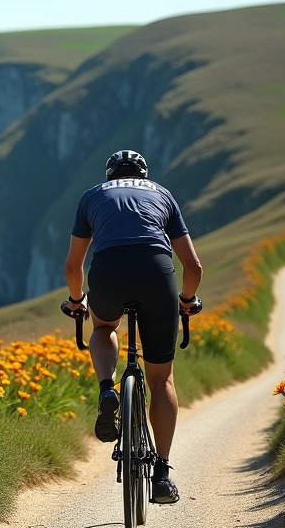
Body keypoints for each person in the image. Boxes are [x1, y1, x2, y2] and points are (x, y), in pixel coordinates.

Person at [62, 149, 203, 504]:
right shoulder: (162, 194)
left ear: (110, 175)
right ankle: (162, 475)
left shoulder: (92, 196)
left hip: (108, 272)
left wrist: (77, 301)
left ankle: (108, 387)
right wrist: (187, 300)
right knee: (161, 379)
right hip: (156, 273)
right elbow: (194, 267)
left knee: (104, 328)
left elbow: (72, 266)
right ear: (144, 174)